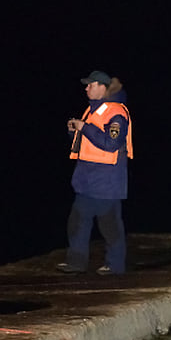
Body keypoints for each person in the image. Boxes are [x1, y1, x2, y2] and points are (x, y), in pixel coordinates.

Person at [57, 70, 133, 275]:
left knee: (110, 227)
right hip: (86, 181)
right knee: (76, 223)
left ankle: (115, 266)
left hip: (107, 182)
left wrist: (85, 128)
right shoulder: (92, 111)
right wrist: (74, 131)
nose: (86, 87)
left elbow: (111, 143)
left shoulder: (116, 113)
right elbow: (88, 144)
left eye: (91, 84)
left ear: (103, 87)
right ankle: (76, 263)